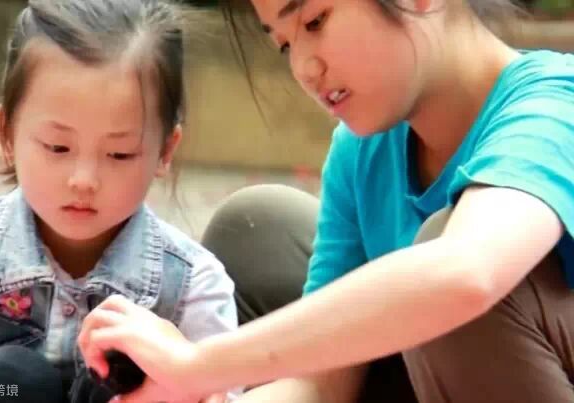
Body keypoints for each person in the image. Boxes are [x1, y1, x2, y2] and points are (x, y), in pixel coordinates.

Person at [78, 0, 574, 402]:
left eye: (315, 21)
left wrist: (198, 365)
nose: (304, 68)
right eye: (285, 44)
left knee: (442, 276)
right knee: (261, 230)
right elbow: (321, 385)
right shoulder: (362, 150)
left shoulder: (554, 104)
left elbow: (465, 274)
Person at [0, 1, 237, 402]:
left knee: (133, 373)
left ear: (165, 150)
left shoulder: (193, 284)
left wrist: (177, 376)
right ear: (6, 133)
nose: (84, 180)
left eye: (119, 154)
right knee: (13, 378)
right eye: (58, 147)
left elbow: (224, 394)